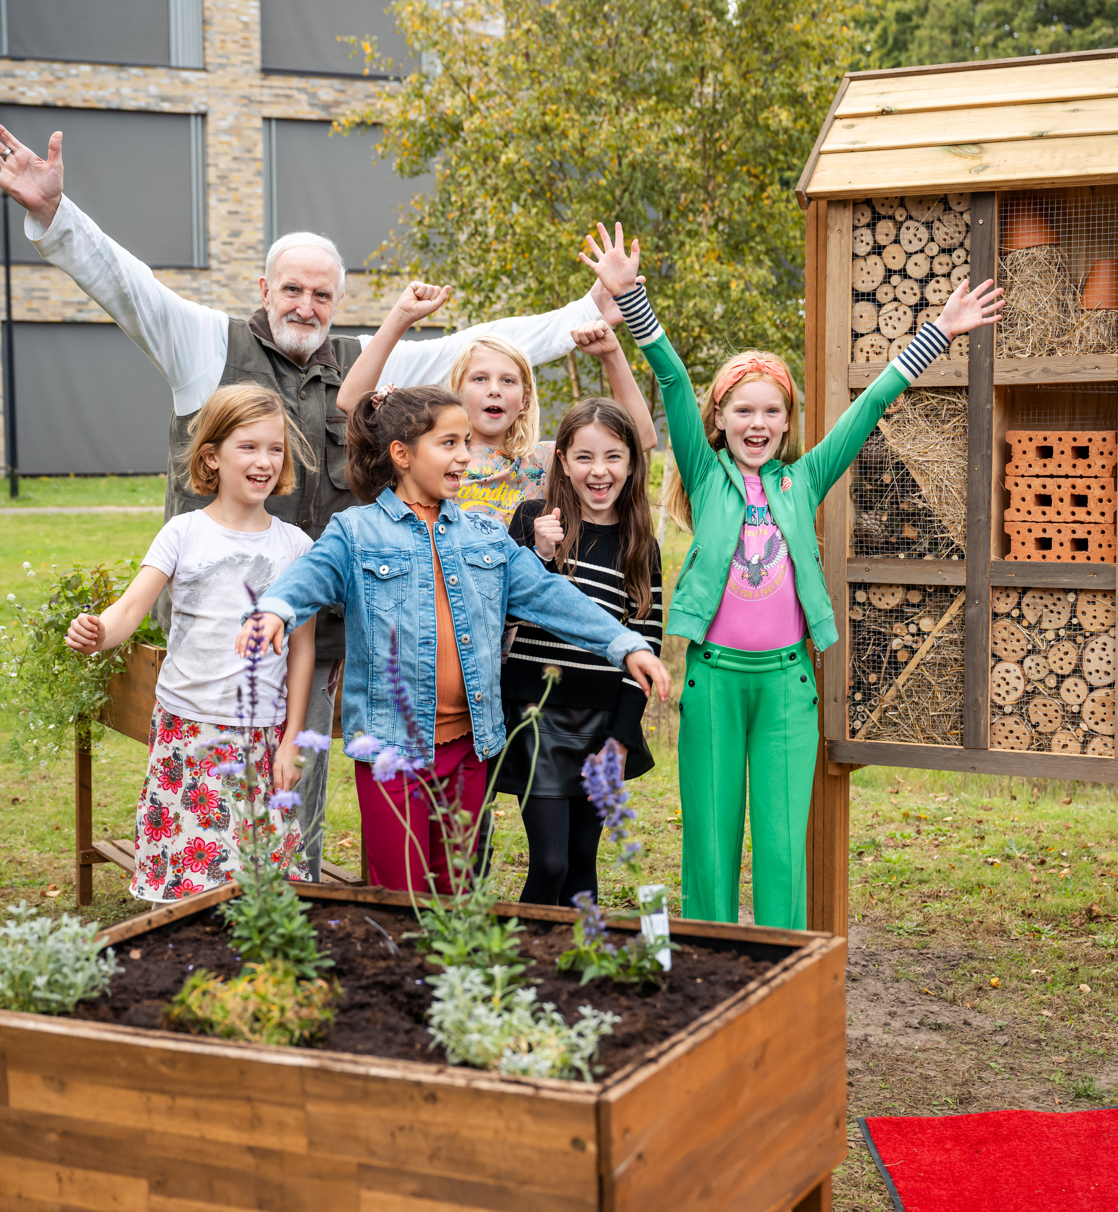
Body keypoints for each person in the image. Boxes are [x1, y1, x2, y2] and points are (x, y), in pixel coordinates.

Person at [0, 123, 631, 880]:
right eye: (293, 289)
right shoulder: (206, 344)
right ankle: (201, 890)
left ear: (338, 301)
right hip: (214, 626)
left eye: (322, 294)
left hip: (322, 634)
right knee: (209, 772)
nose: (306, 305)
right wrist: (54, 214)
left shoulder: (369, 366)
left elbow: (480, 345)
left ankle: (294, 907)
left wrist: (588, 307)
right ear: (265, 290)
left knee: (295, 777)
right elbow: (126, 284)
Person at [580, 222, 1004, 930]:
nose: (757, 422)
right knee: (710, 840)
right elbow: (673, 380)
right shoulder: (705, 474)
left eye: (771, 411)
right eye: (743, 410)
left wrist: (939, 332)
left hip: (787, 684)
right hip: (714, 680)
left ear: (786, 422)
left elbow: (869, 408)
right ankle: (711, 955)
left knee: (782, 846)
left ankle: (781, 963)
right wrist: (632, 299)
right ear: (719, 420)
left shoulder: (803, 481)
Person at [235, 383, 670, 895]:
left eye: (466, 442)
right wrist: (276, 610)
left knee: (458, 893)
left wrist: (625, 643)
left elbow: (550, 594)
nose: (465, 455)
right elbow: (311, 575)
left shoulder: (484, 535)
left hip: (468, 749)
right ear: (402, 454)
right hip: (392, 750)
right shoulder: (357, 533)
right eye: (450, 443)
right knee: (403, 896)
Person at [65, 385, 316, 902]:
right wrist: (98, 633)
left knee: (259, 880)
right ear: (211, 456)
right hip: (186, 728)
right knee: (188, 875)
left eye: (275, 448)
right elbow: (129, 610)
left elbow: (302, 650)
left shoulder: (296, 547)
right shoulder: (183, 533)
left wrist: (292, 737)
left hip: (262, 735)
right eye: (248, 447)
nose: (265, 461)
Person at [496, 398, 663, 905]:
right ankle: (523, 953)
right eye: (584, 457)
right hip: (537, 714)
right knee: (551, 862)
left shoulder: (640, 544)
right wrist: (539, 555)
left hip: (600, 720)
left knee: (583, 862)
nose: (599, 470)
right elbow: (503, 614)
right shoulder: (533, 519)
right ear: (563, 462)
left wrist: (621, 736)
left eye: (613, 456)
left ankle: (573, 956)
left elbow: (646, 641)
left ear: (631, 464)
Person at [338, 295, 658, 523]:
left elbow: (640, 438)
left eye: (508, 380)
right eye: (480, 379)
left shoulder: (545, 461)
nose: (494, 389)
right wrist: (400, 318)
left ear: (525, 399)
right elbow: (350, 401)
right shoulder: (430, 451)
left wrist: (612, 355)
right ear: (456, 392)